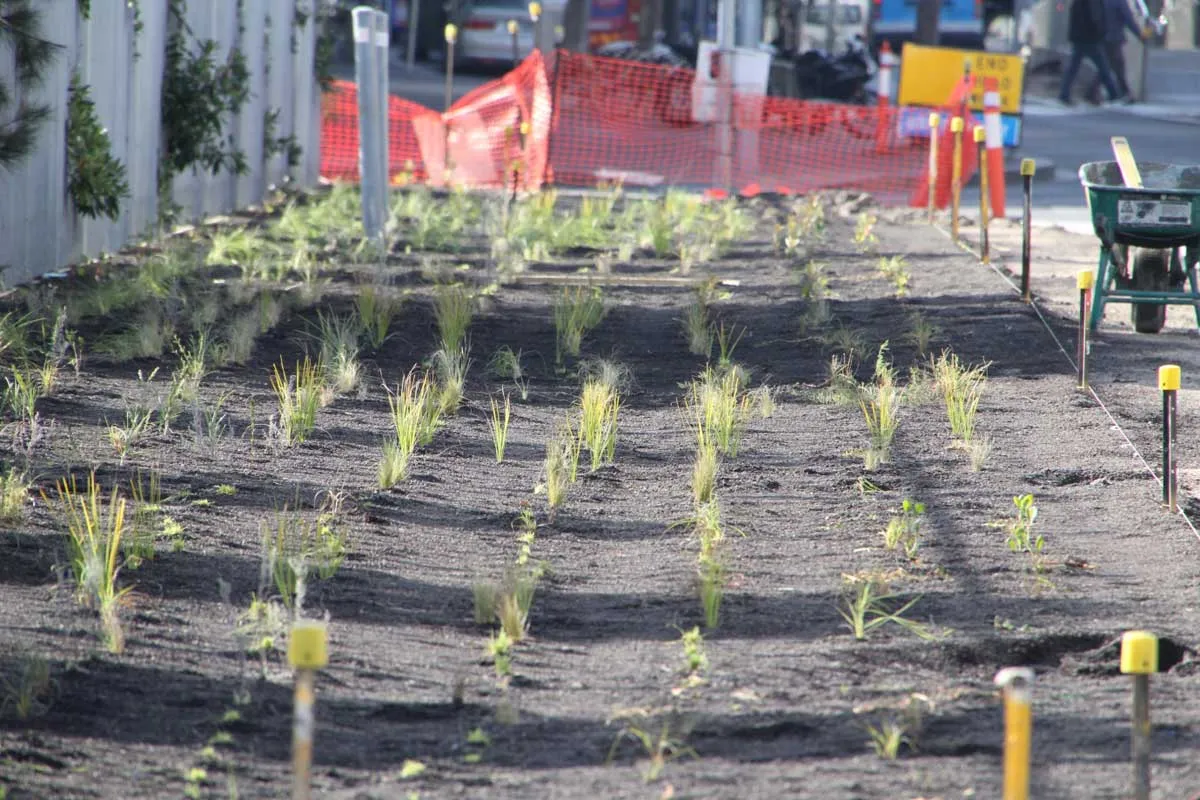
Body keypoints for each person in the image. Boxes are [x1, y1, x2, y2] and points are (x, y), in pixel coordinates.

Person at [1058, 0, 1125, 105]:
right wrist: (1101, 33)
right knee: (1103, 67)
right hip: (1091, 38)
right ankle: (1114, 94)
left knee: (1073, 68)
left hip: (1079, 37)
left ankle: (1064, 94)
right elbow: (1096, 17)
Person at [1086, 0, 1149, 104]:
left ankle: (1100, 92)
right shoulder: (1119, 2)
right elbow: (1129, 20)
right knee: (1115, 66)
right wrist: (1141, 36)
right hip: (1114, 38)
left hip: (1103, 37)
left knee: (1110, 66)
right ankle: (1123, 93)